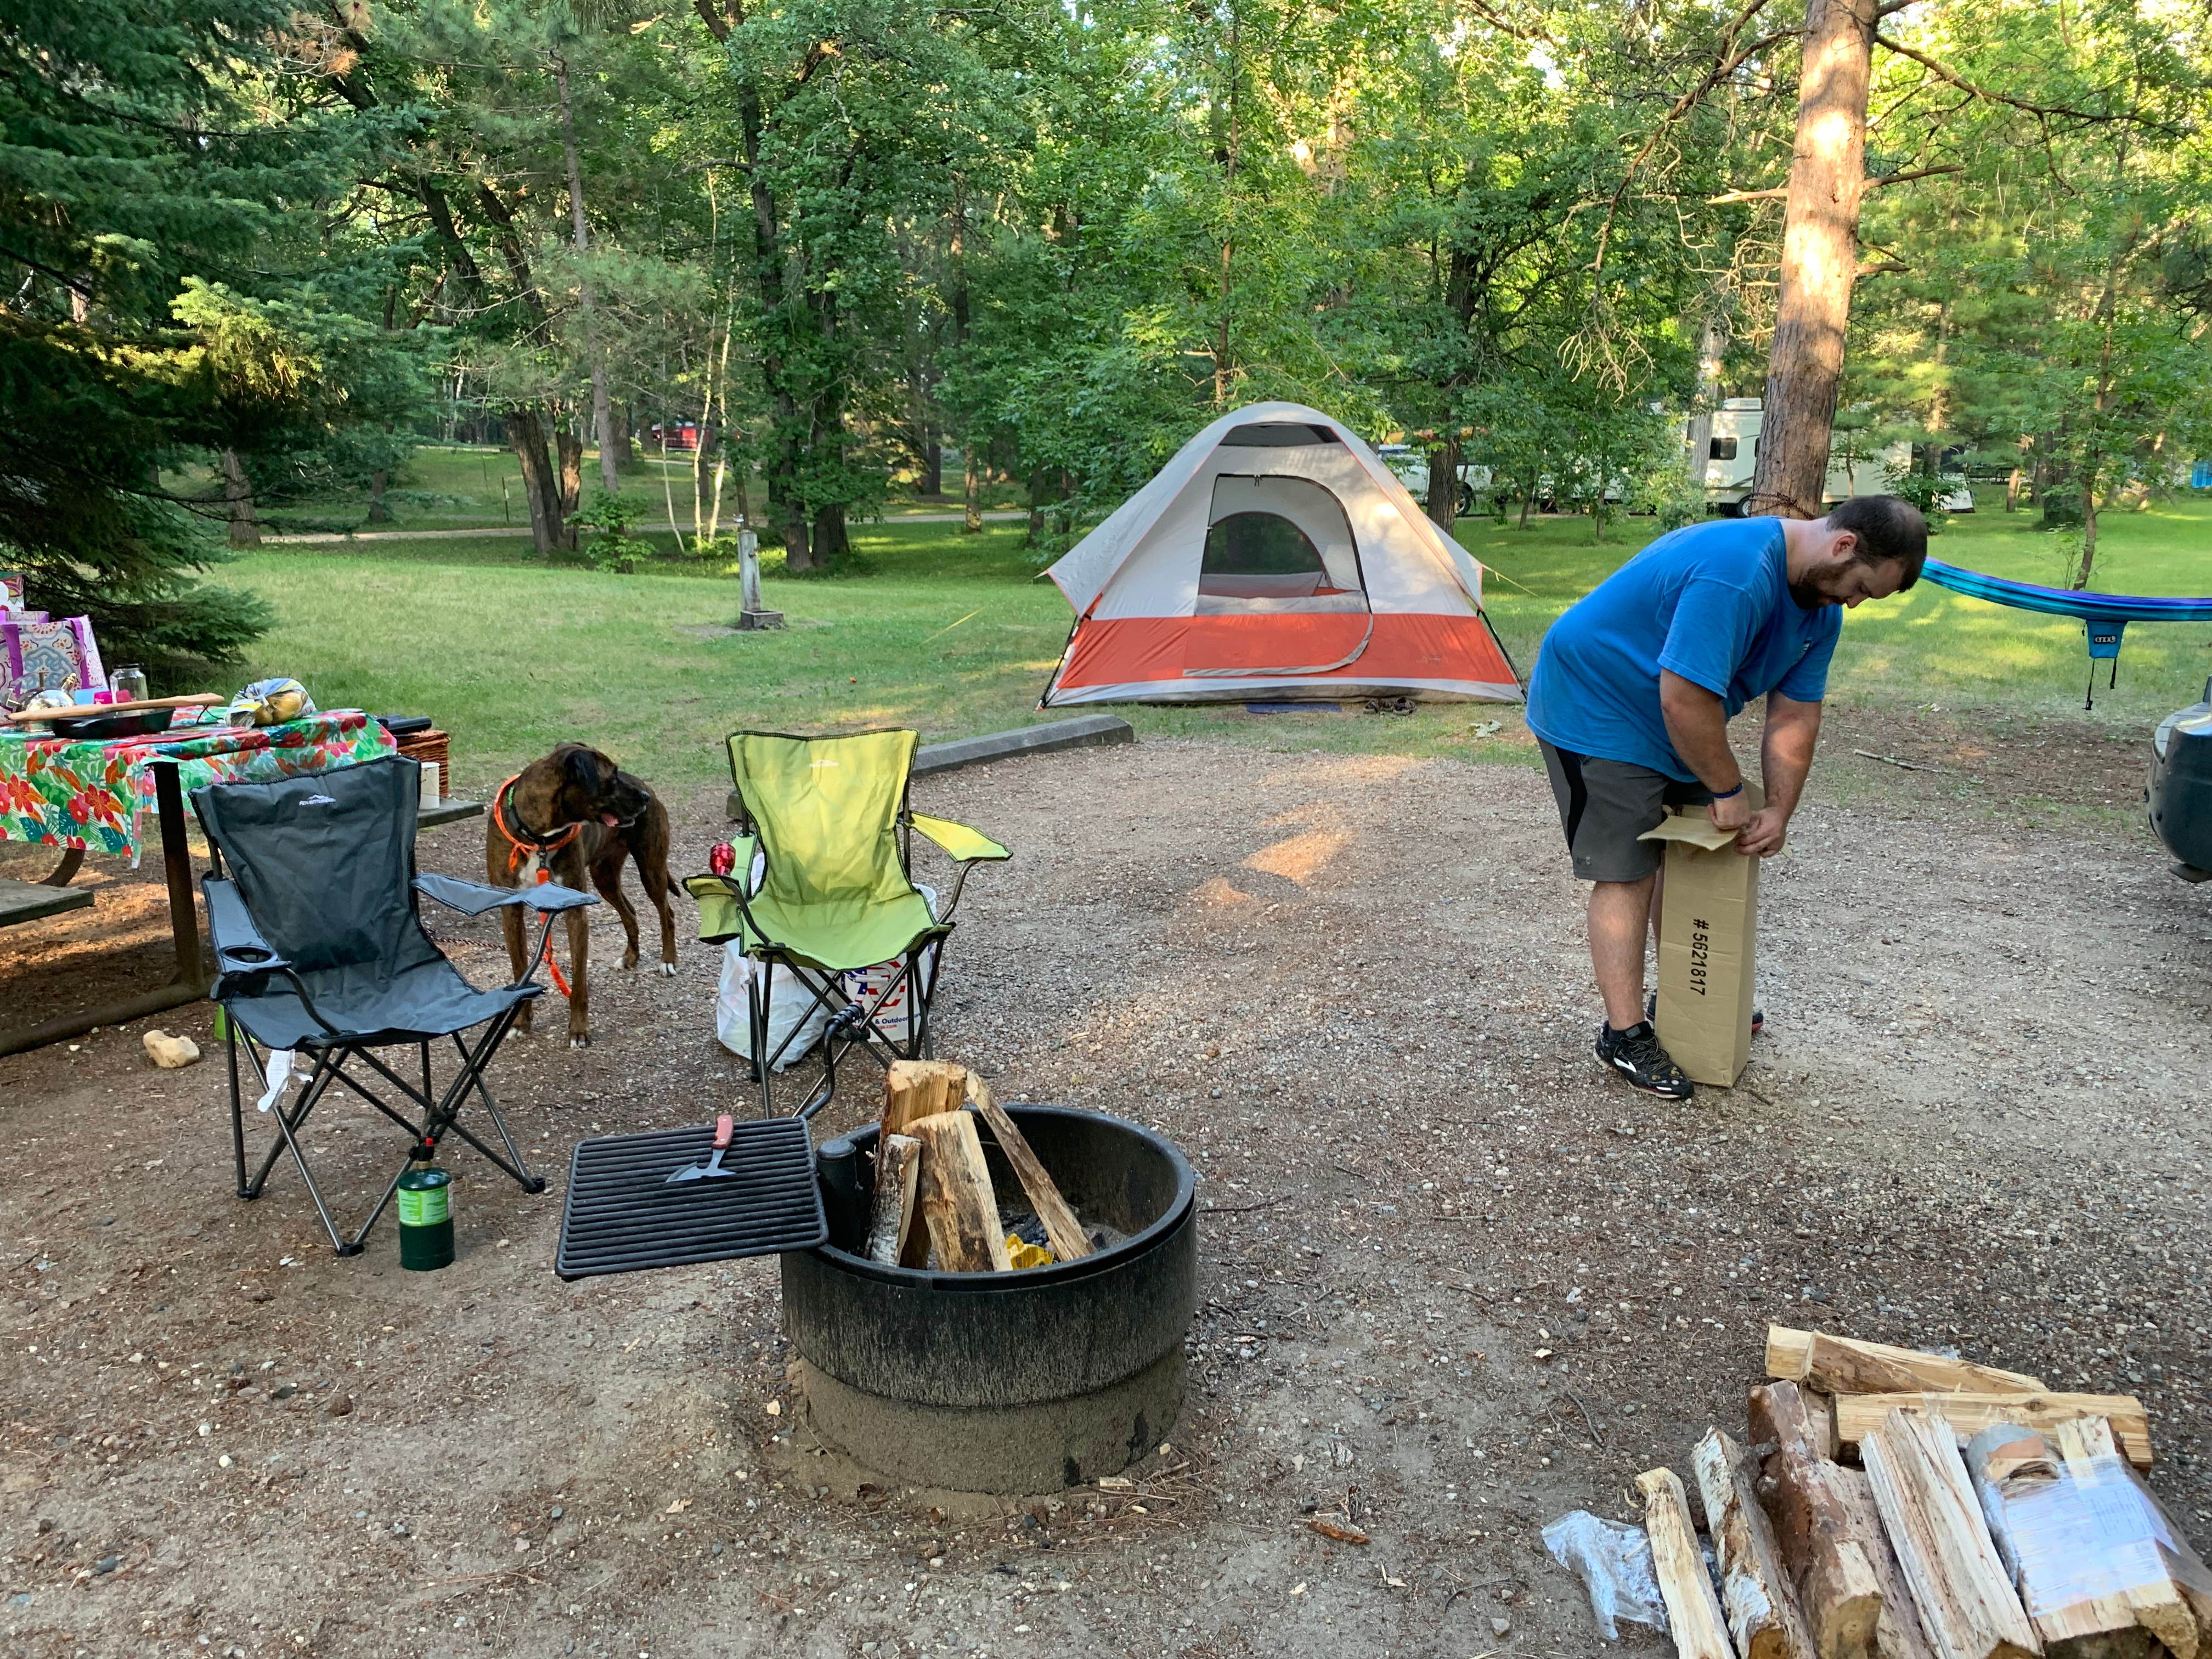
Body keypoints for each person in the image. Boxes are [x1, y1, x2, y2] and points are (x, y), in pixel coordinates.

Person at [1524, 495, 1928, 1099]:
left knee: (1695, 851)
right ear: (1843, 546)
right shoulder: (1737, 573)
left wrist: (1779, 810)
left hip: (1672, 712)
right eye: (1862, 588)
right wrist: (1727, 787)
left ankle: (1684, 996)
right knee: (1628, 869)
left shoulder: (1819, 614)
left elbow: (1795, 717)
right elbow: (1684, 698)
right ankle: (1623, 1034)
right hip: (1596, 702)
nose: (1854, 603)